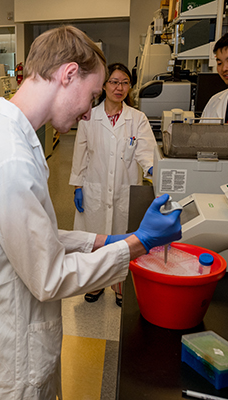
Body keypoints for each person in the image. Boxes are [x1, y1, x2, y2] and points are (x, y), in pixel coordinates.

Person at [0, 26, 182, 399]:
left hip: (5, 340)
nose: (88, 111)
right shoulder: (10, 157)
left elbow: (25, 236)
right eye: (91, 96)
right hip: (9, 361)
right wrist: (137, 244)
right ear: (68, 74)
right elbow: (49, 277)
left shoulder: (2, 134)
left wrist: (102, 241)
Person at [70, 63, 156, 307]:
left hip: (123, 188)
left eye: (125, 82)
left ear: (130, 86)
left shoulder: (136, 119)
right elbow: (81, 152)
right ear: (104, 85)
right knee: (95, 240)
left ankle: (119, 287)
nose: (119, 88)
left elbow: (145, 152)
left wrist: (153, 171)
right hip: (94, 187)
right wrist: (77, 185)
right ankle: (96, 285)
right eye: (114, 82)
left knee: (121, 242)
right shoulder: (89, 115)